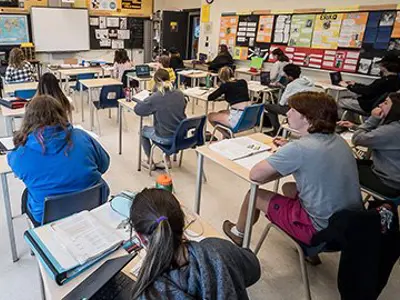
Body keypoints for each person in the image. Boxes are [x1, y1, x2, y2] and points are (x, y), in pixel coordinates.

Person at [223, 92, 362, 247]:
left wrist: (287, 154)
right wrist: (289, 147)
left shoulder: (300, 148)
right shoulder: (338, 140)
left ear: (307, 117)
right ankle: (309, 254)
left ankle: (238, 233)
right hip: (349, 224)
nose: (287, 113)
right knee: (288, 187)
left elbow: (256, 175)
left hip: (320, 231)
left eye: (293, 110)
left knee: (253, 195)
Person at [129, 188, 261, 300]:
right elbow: (254, 271)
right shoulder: (218, 248)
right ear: (182, 222)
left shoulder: (150, 292)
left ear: (141, 238)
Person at [7, 95, 110, 227]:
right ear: (61, 113)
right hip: (93, 204)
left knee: (27, 194)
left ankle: (38, 238)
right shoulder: (81, 136)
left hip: (47, 215)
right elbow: (104, 164)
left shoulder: (20, 154)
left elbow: (18, 170)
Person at [337, 92, 400, 198]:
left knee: (339, 168)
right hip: (391, 174)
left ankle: (347, 204)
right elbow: (379, 135)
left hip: (388, 181)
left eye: (385, 103)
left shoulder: (393, 129)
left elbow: (357, 139)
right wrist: (355, 126)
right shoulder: (395, 125)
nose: (380, 105)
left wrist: (373, 118)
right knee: (348, 162)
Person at [134, 69, 186, 170]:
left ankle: (150, 161)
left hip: (165, 137)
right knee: (168, 122)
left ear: (156, 82)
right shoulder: (179, 94)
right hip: (180, 135)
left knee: (143, 131)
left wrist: (152, 95)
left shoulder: (155, 97)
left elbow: (138, 110)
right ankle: (166, 159)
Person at [264, 64, 314, 136]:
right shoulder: (309, 82)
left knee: (268, 106)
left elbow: (282, 103)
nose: (284, 76)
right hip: (306, 110)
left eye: (285, 75)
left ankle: (277, 129)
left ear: (290, 76)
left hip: (294, 110)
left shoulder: (291, 85)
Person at [207, 67, 251, 137]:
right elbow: (236, 94)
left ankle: (228, 136)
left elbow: (210, 97)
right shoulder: (243, 82)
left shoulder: (225, 85)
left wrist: (220, 89)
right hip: (249, 116)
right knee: (221, 112)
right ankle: (226, 135)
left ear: (221, 78)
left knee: (210, 116)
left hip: (238, 118)